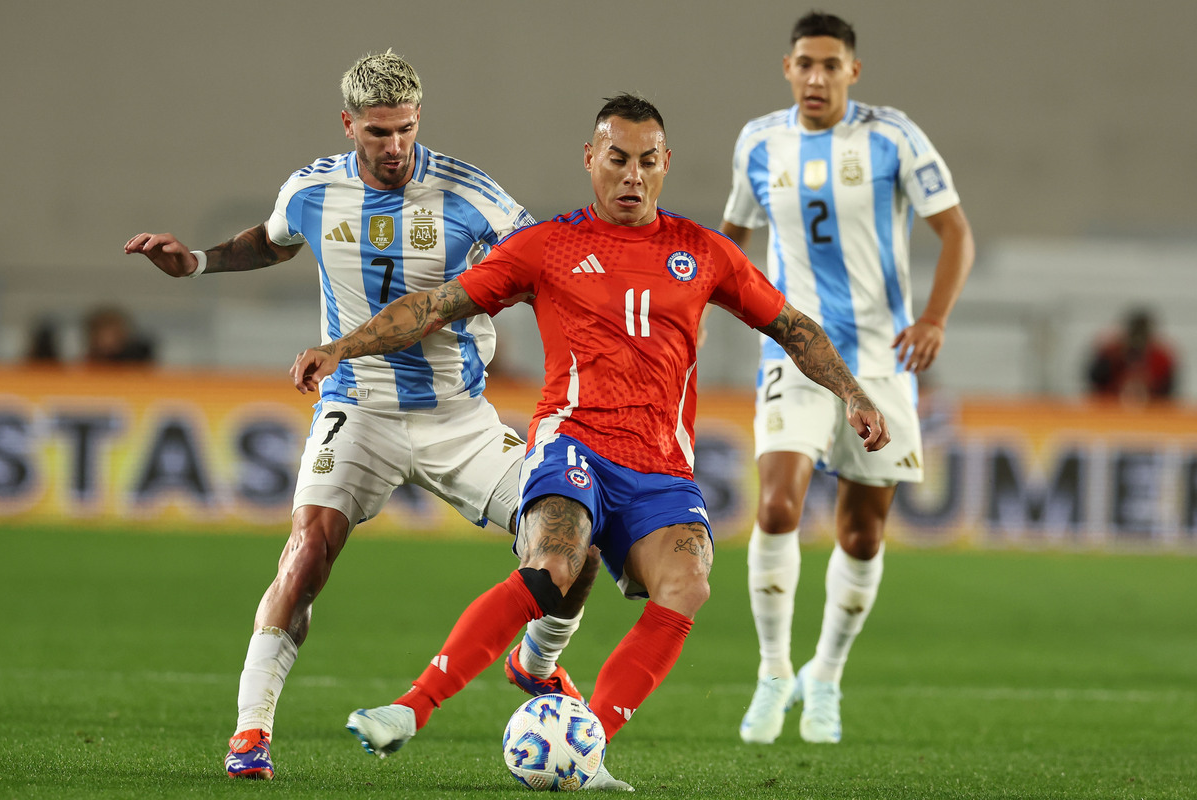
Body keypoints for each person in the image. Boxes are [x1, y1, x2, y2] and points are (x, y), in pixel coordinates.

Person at [289, 93, 890, 790]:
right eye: (617, 159)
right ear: (590, 159)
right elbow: (433, 306)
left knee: (687, 582)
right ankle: (410, 708)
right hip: (572, 443)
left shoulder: (703, 252)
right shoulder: (548, 246)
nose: (631, 175)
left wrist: (852, 392)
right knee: (556, 560)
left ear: (666, 165)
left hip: (661, 465)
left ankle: (587, 746)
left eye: (646, 161)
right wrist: (343, 346)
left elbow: (794, 328)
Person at [124, 51, 595, 781]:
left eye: (406, 129)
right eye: (378, 132)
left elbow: (545, 272)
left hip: (458, 418)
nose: (395, 147)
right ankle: (251, 733)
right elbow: (275, 239)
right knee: (307, 551)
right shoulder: (313, 189)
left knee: (574, 540)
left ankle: (535, 665)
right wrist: (198, 262)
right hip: (358, 409)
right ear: (349, 125)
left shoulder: (473, 196)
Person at [719, 11, 974, 745]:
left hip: (881, 360)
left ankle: (823, 676)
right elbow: (733, 238)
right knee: (775, 507)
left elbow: (955, 230)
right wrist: (721, 303)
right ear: (788, 68)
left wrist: (933, 320)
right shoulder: (759, 141)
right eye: (805, 63)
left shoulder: (893, 136)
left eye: (831, 64)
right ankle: (772, 673)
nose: (817, 77)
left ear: (852, 72)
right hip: (793, 354)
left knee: (862, 534)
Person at [1087, 307, 1178, 404]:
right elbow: (1095, 379)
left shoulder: (1161, 358)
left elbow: (1168, 391)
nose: (1138, 340)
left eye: (1141, 334)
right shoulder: (1111, 352)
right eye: (1135, 333)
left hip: (1151, 408)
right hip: (1111, 406)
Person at [84, 306, 155, 363]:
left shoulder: (138, 365)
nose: (108, 341)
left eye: (114, 334)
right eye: (104, 335)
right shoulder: (85, 366)